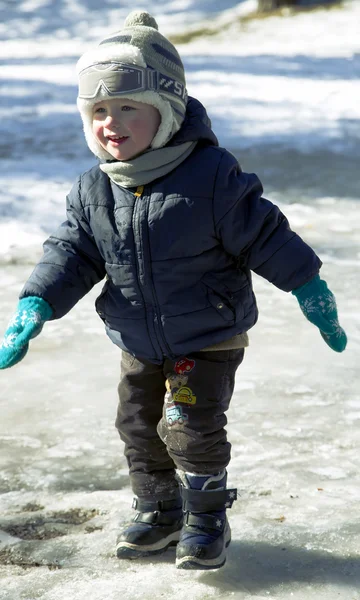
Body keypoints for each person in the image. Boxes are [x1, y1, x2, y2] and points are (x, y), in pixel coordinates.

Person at [0, 10, 347, 570]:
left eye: (126, 108)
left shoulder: (209, 176)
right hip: (138, 338)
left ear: (165, 113)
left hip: (208, 333)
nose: (109, 123)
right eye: (97, 111)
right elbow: (71, 252)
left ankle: (207, 514)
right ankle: (158, 508)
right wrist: (36, 302)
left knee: (189, 424)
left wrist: (309, 288)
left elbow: (265, 234)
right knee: (137, 424)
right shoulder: (94, 188)